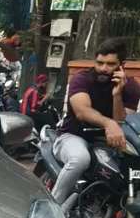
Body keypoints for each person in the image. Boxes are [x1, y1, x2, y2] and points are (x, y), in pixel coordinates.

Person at [52, 38, 140, 206]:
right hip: (73, 136)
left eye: (110, 64)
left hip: (108, 142)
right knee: (80, 159)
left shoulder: (131, 88)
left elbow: (122, 122)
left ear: (122, 65)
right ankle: (52, 209)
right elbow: (81, 111)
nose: (103, 69)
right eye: (99, 63)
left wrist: (117, 95)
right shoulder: (82, 79)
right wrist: (108, 124)